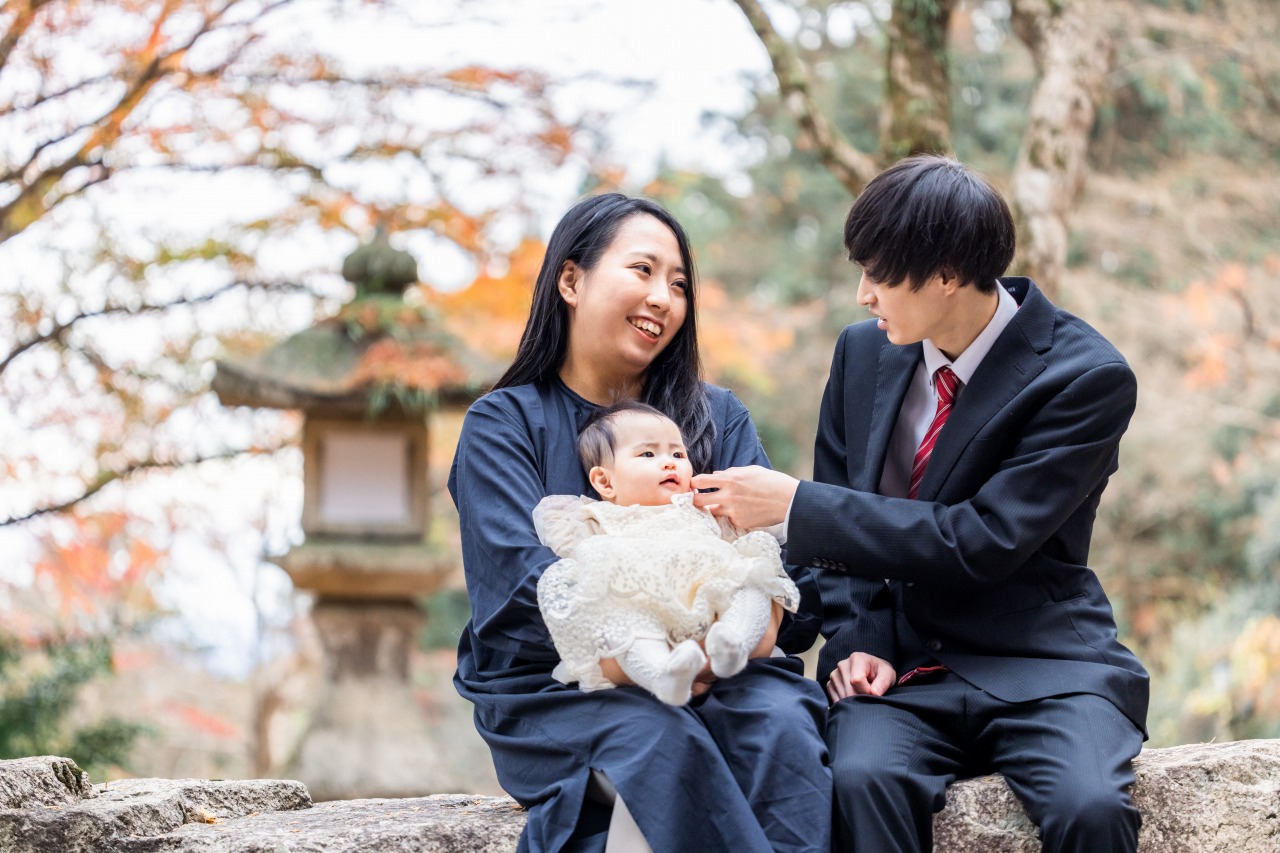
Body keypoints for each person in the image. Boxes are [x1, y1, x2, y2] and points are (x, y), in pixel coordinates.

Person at [691, 154, 1150, 853]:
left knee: (1090, 806)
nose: (861, 294)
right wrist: (860, 641)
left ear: (945, 276)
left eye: (878, 275)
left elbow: (984, 538)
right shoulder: (862, 354)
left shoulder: (1085, 377)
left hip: (1044, 668)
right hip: (900, 670)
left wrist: (795, 507)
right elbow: (843, 551)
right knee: (857, 780)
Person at [448, 192, 831, 853]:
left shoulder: (716, 417)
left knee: (782, 729)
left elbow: (778, 561)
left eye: (679, 284)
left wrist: (719, 642)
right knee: (665, 742)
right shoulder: (502, 425)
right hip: (567, 685)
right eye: (643, 270)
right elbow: (517, 589)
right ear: (571, 279)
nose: (663, 297)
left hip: (727, 665)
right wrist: (641, 656)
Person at [534, 400, 800, 706]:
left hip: (710, 591)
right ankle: (662, 673)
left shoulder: (704, 509)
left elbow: (761, 534)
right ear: (604, 481)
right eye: (648, 454)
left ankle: (734, 642)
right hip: (642, 600)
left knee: (752, 579)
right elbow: (576, 570)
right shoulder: (593, 517)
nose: (669, 462)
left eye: (678, 454)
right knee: (615, 621)